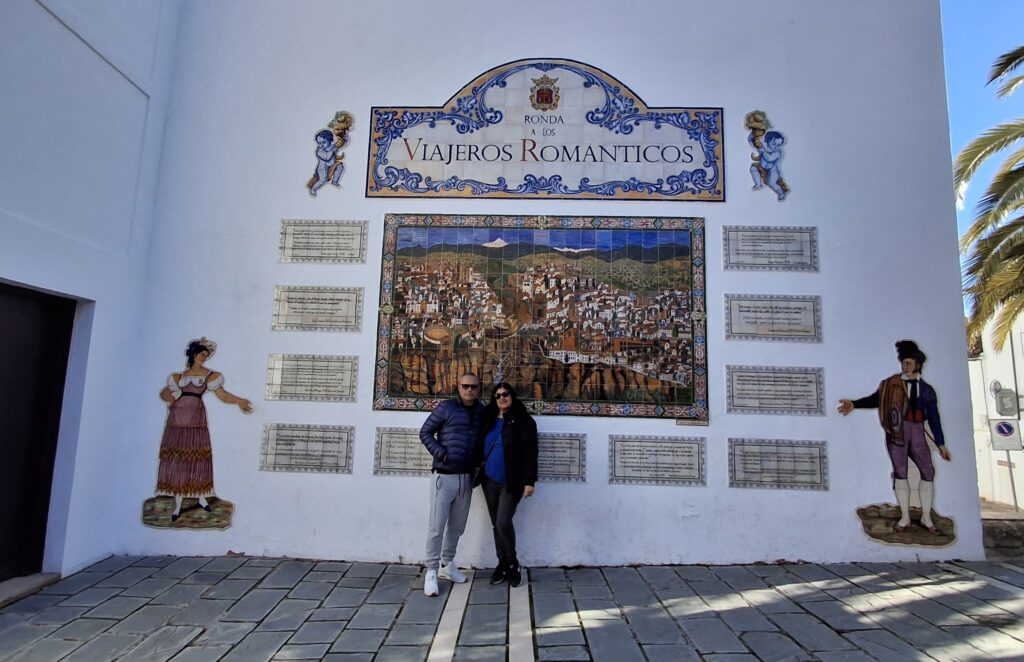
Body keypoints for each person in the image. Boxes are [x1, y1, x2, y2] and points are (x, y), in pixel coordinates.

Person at [837, 340, 952, 534]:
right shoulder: (891, 384)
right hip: (897, 431)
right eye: (903, 362)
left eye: (908, 363)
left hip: (917, 431)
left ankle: (926, 517)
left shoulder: (927, 390)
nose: (905, 366)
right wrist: (854, 404)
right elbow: (876, 399)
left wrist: (940, 443)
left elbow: (934, 418)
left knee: (928, 471)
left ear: (917, 364)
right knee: (900, 472)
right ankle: (905, 517)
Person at [156, 338, 253, 521]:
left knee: (197, 458)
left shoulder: (211, 376)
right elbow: (164, 393)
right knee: (178, 460)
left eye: (206, 356)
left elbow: (223, 396)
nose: (204, 358)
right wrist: (172, 401)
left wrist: (240, 401)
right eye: (202, 354)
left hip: (196, 421)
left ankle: (201, 497)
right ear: (194, 354)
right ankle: (177, 504)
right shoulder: (178, 377)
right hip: (176, 421)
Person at [419, 373, 485, 597]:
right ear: (458, 387)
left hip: (466, 477)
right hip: (444, 475)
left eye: (473, 387)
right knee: (436, 526)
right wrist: (441, 453)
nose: (469, 390)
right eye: (465, 386)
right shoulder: (446, 408)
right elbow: (425, 432)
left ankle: (447, 564)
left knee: (457, 526)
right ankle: (431, 570)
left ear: (478, 388)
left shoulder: (481, 411)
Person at [478, 383, 538, 587]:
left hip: (512, 482)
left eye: (505, 394)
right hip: (489, 480)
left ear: (512, 396)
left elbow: (531, 453)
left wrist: (530, 481)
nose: (501, 398)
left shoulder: (524, 421)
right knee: (496, 523)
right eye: (497, 396)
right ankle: (502, 563)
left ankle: (512, 562)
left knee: (504, 521)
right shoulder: (487, 418)